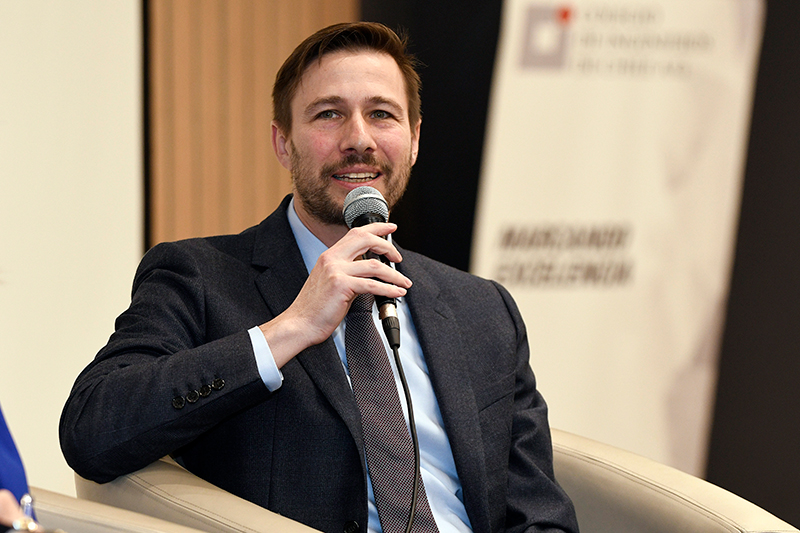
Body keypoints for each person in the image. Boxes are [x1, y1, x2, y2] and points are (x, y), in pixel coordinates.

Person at [60, 22, 579, 533]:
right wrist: (292, 327)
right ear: (283, 143)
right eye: (329, 114)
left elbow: (540, 514)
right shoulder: (199, 276)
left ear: (415, 140)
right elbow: (91, 429)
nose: (359, 140)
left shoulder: (483, 309)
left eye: (381, 114)